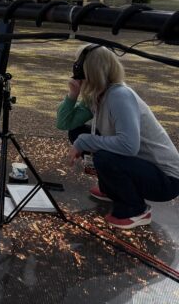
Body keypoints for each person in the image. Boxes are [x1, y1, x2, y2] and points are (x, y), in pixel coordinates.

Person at [57, 45, 179, 229]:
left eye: (79, 64)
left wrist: (84, 142)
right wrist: (72, 95)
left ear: (88, 69)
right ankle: (111, 188)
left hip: (166, 180)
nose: (75, 67)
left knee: (103, 156)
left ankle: (135, 209)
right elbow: (65, 124)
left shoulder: (119, 95)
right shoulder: (97, 94)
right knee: (77, 132)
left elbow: (129, 146)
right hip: (139, 165)